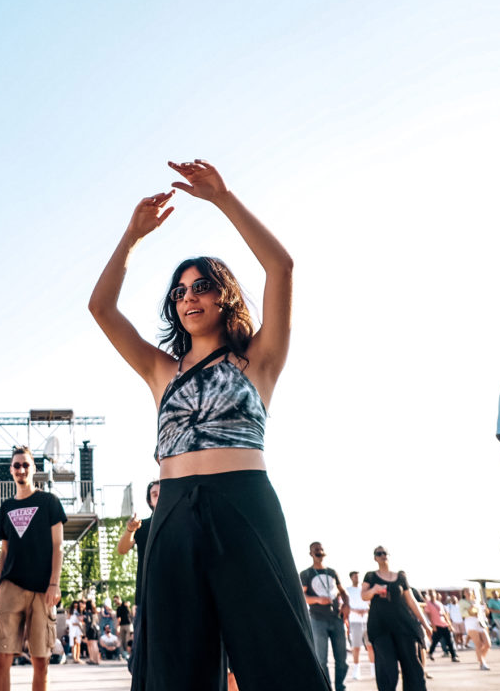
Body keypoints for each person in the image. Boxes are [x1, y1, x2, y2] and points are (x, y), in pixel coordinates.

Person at [90, 160, 327, 690]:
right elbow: (101, 308)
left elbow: (281, 267)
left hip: (244, 502)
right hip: (174, 510)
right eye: (180, 291)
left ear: (224, 295)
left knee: (276, 650)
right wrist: (131, 236)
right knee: (174, 664)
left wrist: (223, 198)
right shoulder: (160, 369)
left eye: (200, 287)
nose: (189, 297)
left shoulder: (258, 360)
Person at [0, 446, 67, 691]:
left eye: (26, 465)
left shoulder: (49, 501)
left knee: (41, 660)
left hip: (42, 589)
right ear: (11, 471)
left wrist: (54, 583)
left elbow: (58, 546)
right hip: (10, 586)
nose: (21, 469)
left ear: (34, 469)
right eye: (16, 465)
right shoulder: (6, 506)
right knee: (2, 657)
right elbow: (3, 552)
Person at [361, 547, 432, 690]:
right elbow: (363, 596)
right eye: (378, 554)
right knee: (388, 668)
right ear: (375, 558)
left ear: (389, 555)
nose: (382, 556)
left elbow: (411, 601)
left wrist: (426, 625)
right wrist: (373, 590)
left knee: (413, 666)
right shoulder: (370, 576)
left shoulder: (400, 576)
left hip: (404, 626)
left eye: (384, 553)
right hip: (380, 628)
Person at [116, 480, 158, 673]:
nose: (160, 497)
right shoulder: (144, 526)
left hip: (178, 596)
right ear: (149, 501)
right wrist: (130, 529)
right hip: (146, 597)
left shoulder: (183, 524)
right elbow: (122, 549)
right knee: (141, 652)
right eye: (155, 494)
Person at [300, 542, 349, 691]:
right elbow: (302, 596)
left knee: (341, 659)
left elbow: (343, 592)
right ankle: (326, 688)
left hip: (336, 618)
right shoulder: (306, 574)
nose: (319, 552)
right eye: (316, 550)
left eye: (321, 550)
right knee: (321, 660)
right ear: (311, 553)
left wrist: (346, 605)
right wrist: (317, 599)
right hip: (317, 619)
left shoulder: (332, 572)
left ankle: (340, 687)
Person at [345, 571, 374, 680]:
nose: (357, 578)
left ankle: (373, 669)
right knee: (356, 647)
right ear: (351, 578)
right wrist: (355, 610)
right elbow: (345, 605)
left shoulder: (365, 590)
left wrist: (366, 610)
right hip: (354, 621)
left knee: (370, 646)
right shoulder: (348, 590)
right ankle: (356, 670)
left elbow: (371, 604)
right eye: (355, 576)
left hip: (367, 621)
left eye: (358, 576)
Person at [459, 588, 491, 669]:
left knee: (487, 644)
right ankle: (482, 663)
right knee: (479, 644)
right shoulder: (462, 602)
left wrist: (485, 608)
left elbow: (484, 612)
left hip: (480, 622)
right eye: (466, 591)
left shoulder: (477, 601)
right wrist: (471, 608)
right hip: (470, 622)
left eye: (469, 591)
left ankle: (481, 658)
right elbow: (463, 614)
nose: (468, 592)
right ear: (464, 593)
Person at [423, 591, 458, 662]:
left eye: (433, 594)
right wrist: (433, 625)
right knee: (435, 641)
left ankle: (453, 656)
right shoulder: (428, 604)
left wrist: (449, 624)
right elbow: (429, 615)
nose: (433, 596)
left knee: (449, 641)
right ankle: (430, 653)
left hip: (444, 624)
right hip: (437, 625)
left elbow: (444, 614)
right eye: (431, 595)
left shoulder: (439, 603)